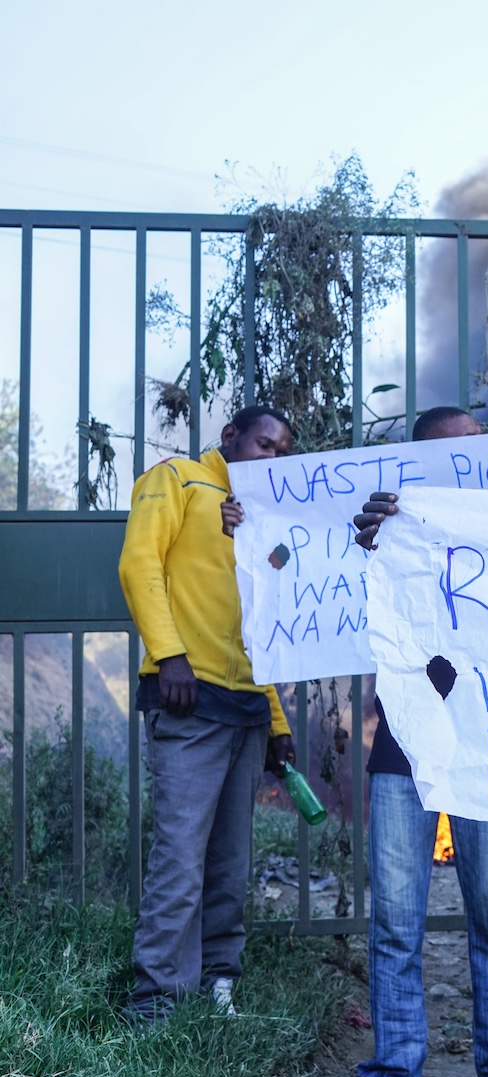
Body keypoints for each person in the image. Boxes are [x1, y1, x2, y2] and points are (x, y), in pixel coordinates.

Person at [342, 406, 488, 1077]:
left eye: (479, 448)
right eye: (452, 452)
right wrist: (371, 541)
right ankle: (394, 1072)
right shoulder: (388, 529)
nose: (469, 461)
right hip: (402, 747)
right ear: (419, 463)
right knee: (394, 923)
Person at [118, 405, 296, 1024]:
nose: (270, 458)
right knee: (180, 857)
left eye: (280, 452)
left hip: (247, 707)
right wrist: (169, 656)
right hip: (186, 699)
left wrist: (276, 723)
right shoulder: (178, 479)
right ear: (230, 437)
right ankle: (155, 1004)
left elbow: (258, 625)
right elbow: (138, 565)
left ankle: (218, 982)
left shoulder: (258, 519)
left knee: (228, 861)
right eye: (263, 444)